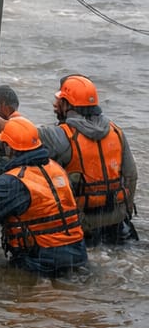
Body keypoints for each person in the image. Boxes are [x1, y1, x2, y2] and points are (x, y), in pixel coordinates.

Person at [0, 115, 88, 276]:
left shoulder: (15, 182)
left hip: (42, 261)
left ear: (10, 148)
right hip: (77, 254)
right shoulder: (55, 168)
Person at [39, 75, 138, 245]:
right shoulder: (116, 132)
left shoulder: (61, 135)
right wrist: (126, 211)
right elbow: (131, 176)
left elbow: (17, 134)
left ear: (66, 104)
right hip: (116, 223)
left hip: (82, 225)